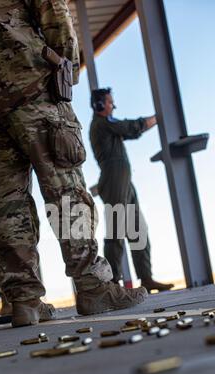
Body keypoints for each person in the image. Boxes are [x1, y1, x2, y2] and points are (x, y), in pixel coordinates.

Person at [0, 1, 148, 327]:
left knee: (8, 201)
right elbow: (53, 9)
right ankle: (92, 287)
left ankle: (24, 301)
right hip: (30, 84)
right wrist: (65, 65)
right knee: (65, 186)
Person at [90, 88, 174, 293]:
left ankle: (146, 278)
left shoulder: (106, 126)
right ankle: (112, 283)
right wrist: (154, 119)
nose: (113, 105)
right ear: (100, 105)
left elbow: (126, 131)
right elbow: (128, 127)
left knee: (138, 228)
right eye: (110, 102)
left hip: (124, 181)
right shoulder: (103, 124)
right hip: (114, 179)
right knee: (117, 230)